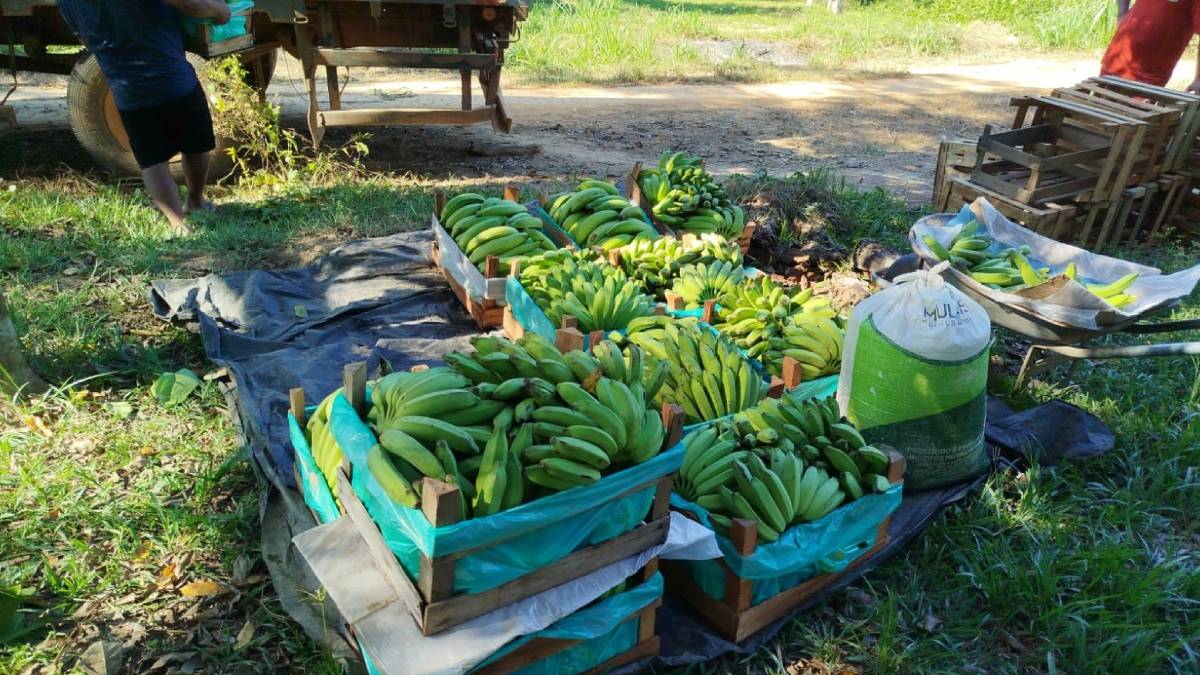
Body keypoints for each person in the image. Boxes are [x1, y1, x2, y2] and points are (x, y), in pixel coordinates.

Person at [58, 0, 232, 234]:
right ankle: (196, 201)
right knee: (197, 145)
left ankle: (177, 223)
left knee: (153, 161)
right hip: (175, 82)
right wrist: (222, 11)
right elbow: (195, 6)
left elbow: (86, 39)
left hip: (127, 93)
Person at [1101, 0, 1200, 92]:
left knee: (1129, 110)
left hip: (1147, 78)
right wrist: (1121, 15)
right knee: (1099, 106)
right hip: (1115, 58)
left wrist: (1198, 79)